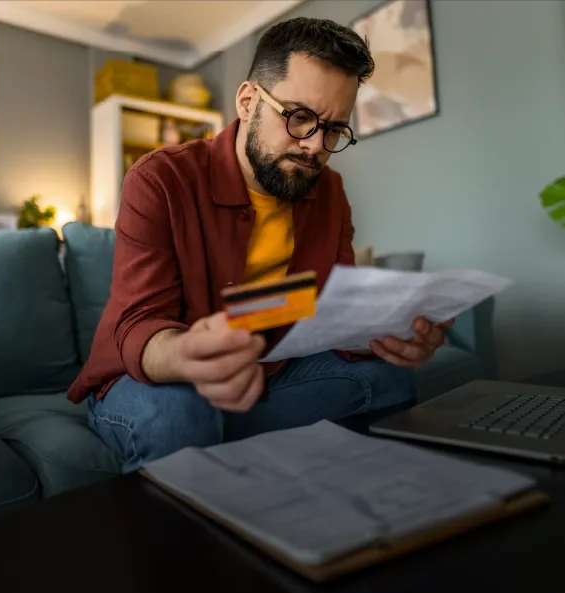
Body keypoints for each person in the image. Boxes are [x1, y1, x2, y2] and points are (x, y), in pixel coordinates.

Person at [67, 17, 453, 472]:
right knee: (183, 416)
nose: (315, 146)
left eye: (333, 129)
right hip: (146, 375)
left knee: (391, 378)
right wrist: (187, 353)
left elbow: (329, 307)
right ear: (249, 101)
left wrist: (393, 335)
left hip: (267, 365)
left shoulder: (328, 192)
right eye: (300, 117)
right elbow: (140, 324)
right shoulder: (159, 180)